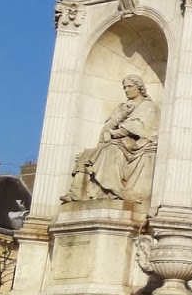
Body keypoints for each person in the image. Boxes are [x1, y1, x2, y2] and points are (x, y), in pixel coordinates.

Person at [62, 75, 159, 204]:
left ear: (139, 87)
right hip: (116, 142)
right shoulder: (122, 107)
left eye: (130, 86)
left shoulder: (148, 106)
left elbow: (139, 129)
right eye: (124, 87)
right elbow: (105, 129)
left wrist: (113, 133)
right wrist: (122, 114)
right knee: (86, 154)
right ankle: (75, 194)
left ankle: (112, 191)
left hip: (134, 145)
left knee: (112, 150)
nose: (126, 90)